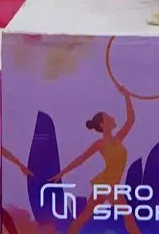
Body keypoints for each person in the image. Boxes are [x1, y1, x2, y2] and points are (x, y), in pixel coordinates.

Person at [49, 85, 139, 234]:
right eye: (108, 117)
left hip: (111, 184)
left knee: (88, 216)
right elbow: (81, 159)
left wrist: (127, 97)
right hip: (106, 184)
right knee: (124, 217)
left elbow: (130, 121)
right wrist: (62, 172)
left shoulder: (118, 140)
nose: (112, 118)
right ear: (103, 125)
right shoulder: (100, 144)